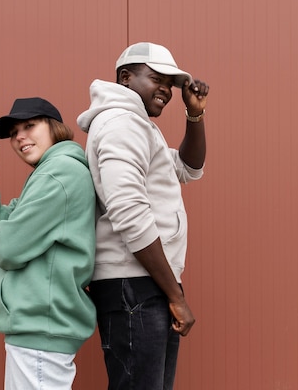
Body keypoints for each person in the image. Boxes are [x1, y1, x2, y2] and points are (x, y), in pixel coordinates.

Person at [76, 42, 209, 389]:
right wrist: (176, 298)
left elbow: (188, 168)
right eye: (156, 79)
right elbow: (129, 213)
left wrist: (194, 115)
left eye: (170, 82)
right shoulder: (123, 124)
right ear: (125, 78)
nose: (166, 89)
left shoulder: (137, 125)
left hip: (144, 280)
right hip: (134, 282)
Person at [0, 97, 97, 390]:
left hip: (43, 328)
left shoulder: (60, 173)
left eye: (30, 126)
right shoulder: (44, 175)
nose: (19, 137)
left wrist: (5, 237)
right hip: (38, 329)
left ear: (54, 128)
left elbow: (7, 247)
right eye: (14, 133)